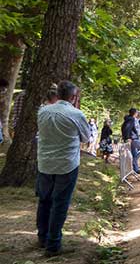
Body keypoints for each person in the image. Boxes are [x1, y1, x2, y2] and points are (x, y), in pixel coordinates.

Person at [36, 80, 91, 257]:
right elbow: (85, 138)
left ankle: (42, 237)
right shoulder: (76, 114)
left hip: (45, 163)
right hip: (67, 164)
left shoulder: (43, 111)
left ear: (58, 94)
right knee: (60, 203)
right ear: (74, 97)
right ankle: (53, 244)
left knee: (44, 201)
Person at [122, 108, 140, 173]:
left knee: (134, 153)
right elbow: (127, 128)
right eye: (137, 113)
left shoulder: (129, 119)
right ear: (135, 113)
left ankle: (135, 168)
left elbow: (125, 128)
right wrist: (127, 138)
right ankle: (134, 162)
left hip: (133, 138)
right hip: (133, 138)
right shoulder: (131, 119)